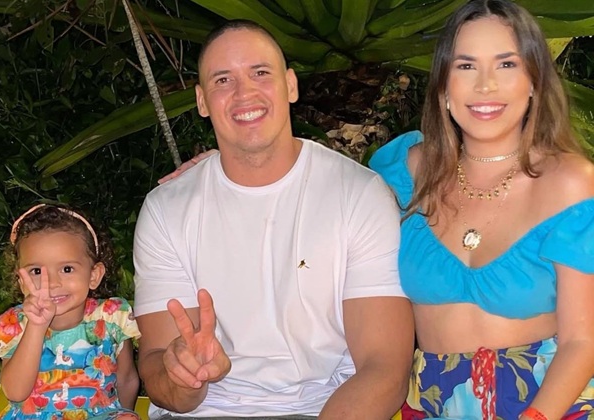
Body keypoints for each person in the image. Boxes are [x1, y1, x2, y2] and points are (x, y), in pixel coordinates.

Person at [133, 19, 414, 420]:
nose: (244, 92)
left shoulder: (359, 194)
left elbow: (383, 368)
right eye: (223, 80)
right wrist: (183, 374)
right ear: (201, 101)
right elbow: (159, 375)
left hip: (326, 410)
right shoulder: (166, 209)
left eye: (260, 73)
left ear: (291, 86)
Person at [368, 1, 594, 419]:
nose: (486, 85)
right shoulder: (402, 174)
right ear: (443, 86)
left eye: (506, 64)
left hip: (550, 403)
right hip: (430, 403)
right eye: (466, 66)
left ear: (534, 82)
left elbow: (583, 341)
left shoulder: (571, 183)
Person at [0, 204, 141, 419]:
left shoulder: (111, 317)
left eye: (67, 269)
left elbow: (126, 379)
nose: (53, 282)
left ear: (94, 275)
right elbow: (15, 393)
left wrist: (122, 413)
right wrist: (36, 326)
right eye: (36, 271)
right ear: (22, 281)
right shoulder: (15, 324)